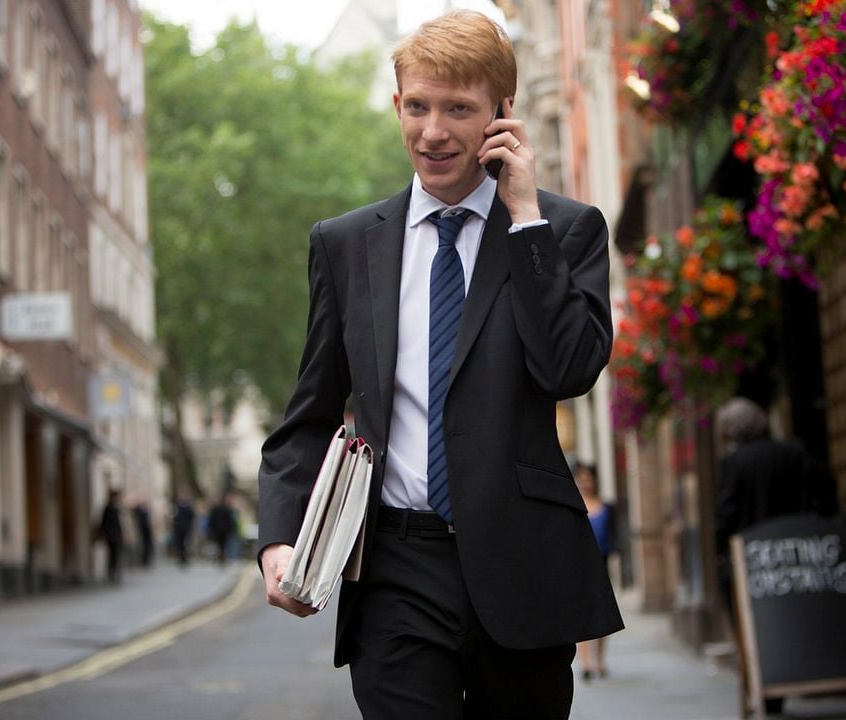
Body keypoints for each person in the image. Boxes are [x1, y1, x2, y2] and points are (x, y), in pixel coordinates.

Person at [256, 11, 623, 718]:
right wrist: (280, 539)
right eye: (418, 107)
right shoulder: (346, 245)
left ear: (502, 113)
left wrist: (524, 219)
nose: (433, 132)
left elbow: (568, 368)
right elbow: (309, 415)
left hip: (522, 567)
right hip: (395, 569)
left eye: (459, 109)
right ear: (397, 106)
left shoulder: (565, 231)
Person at [713, 396, 838, 716]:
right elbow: (825, 489)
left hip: (755, 561)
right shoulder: (794, 451)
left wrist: (720, 547)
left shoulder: (734, 462)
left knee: (757, 622)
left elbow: (727, 514)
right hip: (800, 555)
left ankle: (769, 686)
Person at [573, 462, 616, 682]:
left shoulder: (607, 508)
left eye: (589, 478)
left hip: (602, 565)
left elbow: (613, 538)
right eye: (582, 478)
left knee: (603, 614)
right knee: (583, 614)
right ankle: (586, 663)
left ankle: (600, 661)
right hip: (579, 566)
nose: (586, 482)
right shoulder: (575, 507)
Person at [96, 489, 124, 584]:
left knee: (116, 555)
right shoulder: (108, 508)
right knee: (112, 555)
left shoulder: (116, 509)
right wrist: (102, 534)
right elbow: (104, 523)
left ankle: (116, 573)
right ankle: (111, 573)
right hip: (111, 536)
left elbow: (119, 524)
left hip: (116, 535)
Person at [208, 494, 236, 567]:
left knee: (220, 545)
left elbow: (212, 520)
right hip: (222, 530)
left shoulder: (216, 509)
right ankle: (221, 557)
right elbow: (230, 521)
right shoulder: (225, 509)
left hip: (219, 530)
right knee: (222, 545)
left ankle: (221, 557)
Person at [172, 493, 195, 567]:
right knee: (179, 543)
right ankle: (181, 557)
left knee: (185, 543)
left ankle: (185, 557)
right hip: (178, 529)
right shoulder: (176, 507)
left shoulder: (188, 508)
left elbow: (191, 517)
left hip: (185, 528)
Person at [133, 500, 154, 568]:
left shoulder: (146, 511)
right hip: (143, 532)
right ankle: (144, 560)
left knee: (148, 546)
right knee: (144, 546)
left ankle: (147, 560)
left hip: (147, 532)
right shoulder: (139, 512)